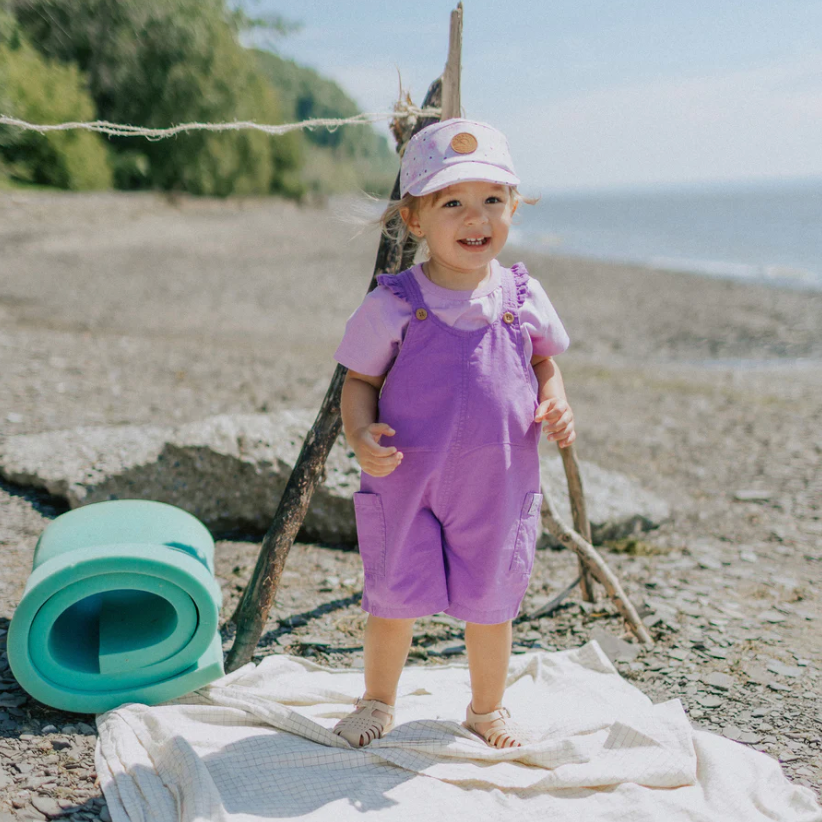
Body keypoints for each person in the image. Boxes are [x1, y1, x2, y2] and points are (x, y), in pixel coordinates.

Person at [331, 118, 575, 749]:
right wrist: (360, 435)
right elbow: (356, 382)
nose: (477, 218)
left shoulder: (522, 296)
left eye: (493, 200)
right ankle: (378, 700)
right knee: (392, 597)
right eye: (454, 203)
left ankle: (486, 709)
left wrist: (555, 400)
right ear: (415, 220)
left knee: (491, 602)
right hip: (404, 480)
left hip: (496, 484)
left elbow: (544, 362)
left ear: (513, 207)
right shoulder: (394, 302)